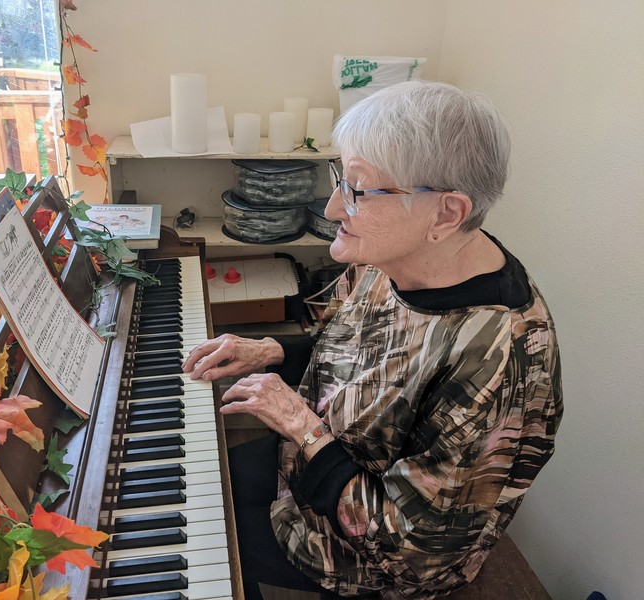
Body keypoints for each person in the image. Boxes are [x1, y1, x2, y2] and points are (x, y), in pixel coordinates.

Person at [182, 81, 563, 599]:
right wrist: (272, 350)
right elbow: (348, 349)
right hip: (304, 467)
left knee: (193, 549)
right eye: (340, 178)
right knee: (184, 485)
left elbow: (410, 546)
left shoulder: (502, 356)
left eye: (359, 190)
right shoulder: (387, 258)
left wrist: (301, 424)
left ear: (446, 214)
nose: (335, 208)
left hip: (364, 558)